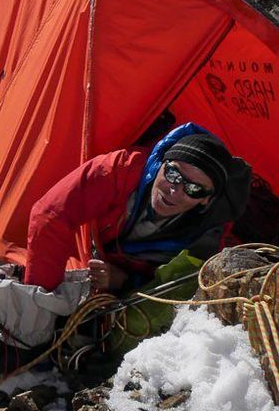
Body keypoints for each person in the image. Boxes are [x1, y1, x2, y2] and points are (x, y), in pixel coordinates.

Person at [22, 124, 252, 293]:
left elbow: (180, 290)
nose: (174, 190)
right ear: (161, 163)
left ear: (207, 200)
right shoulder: (120, 170)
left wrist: (123, 281)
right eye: (172, 174)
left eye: (194, 189)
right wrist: (41, 296)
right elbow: (51, 215)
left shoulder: (208, 239)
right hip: (67, 255)